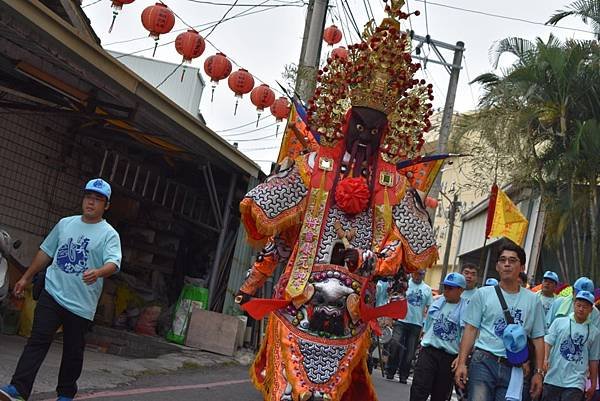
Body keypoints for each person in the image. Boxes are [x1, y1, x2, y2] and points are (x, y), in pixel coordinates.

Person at [0, 179, 121, 401]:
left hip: (81, 303)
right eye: (88, 197)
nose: (91, 202)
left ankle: (65, 394)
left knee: (73, 351)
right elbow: (46, 252)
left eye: (97, 199)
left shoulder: (109, 234)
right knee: (37, 340)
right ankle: (18, 389)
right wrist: (26, 278)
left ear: (106, 206)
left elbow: (114, 263)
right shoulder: (65, 223)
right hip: (52, 293)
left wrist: (99, 272)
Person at [454, 242, 546, 401]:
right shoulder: (483, 294)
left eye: (512, 260)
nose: (507, 264)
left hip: (515, 368)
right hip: (483, 362)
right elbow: (470, 330)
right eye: (502, 260)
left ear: (522, 267)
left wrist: (538, 373)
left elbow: (538, 338)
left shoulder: (533, 300)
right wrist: (462, 362)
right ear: (497, 266)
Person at [410, 273, 467, 401]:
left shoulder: (466, 309)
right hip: (429, 351)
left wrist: (460, 357)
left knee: (440, 394)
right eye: (445, 287)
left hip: (449, 357)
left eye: (450, 288)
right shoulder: (437, 302)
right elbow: (427, 325)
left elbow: (465, 335)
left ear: (461, 290)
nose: (446, 290)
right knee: (419, 388)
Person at [542, 290, 599, 401]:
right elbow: (547, 342)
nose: (581, 309)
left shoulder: (594, 332)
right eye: (579, 305)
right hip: (553, 378)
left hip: (576, 382)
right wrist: (545, 359)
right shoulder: (559, 322)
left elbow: (594, 360)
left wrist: (593, 384)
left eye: (585, 307)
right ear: (573, 304)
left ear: (591, 310)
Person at [386, 269, 433, 383]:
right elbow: (393, 299)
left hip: (416, 324)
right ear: (412, 273)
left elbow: (430, 308)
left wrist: (425, 326)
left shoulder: (427, 289)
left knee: (410, 352)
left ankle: (404, 375)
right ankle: (390, 370)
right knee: (395, 344)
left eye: (421, 274)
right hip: (401, 320)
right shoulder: (404, 285)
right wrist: (390, 317)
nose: (418, 276)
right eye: (417, 273)